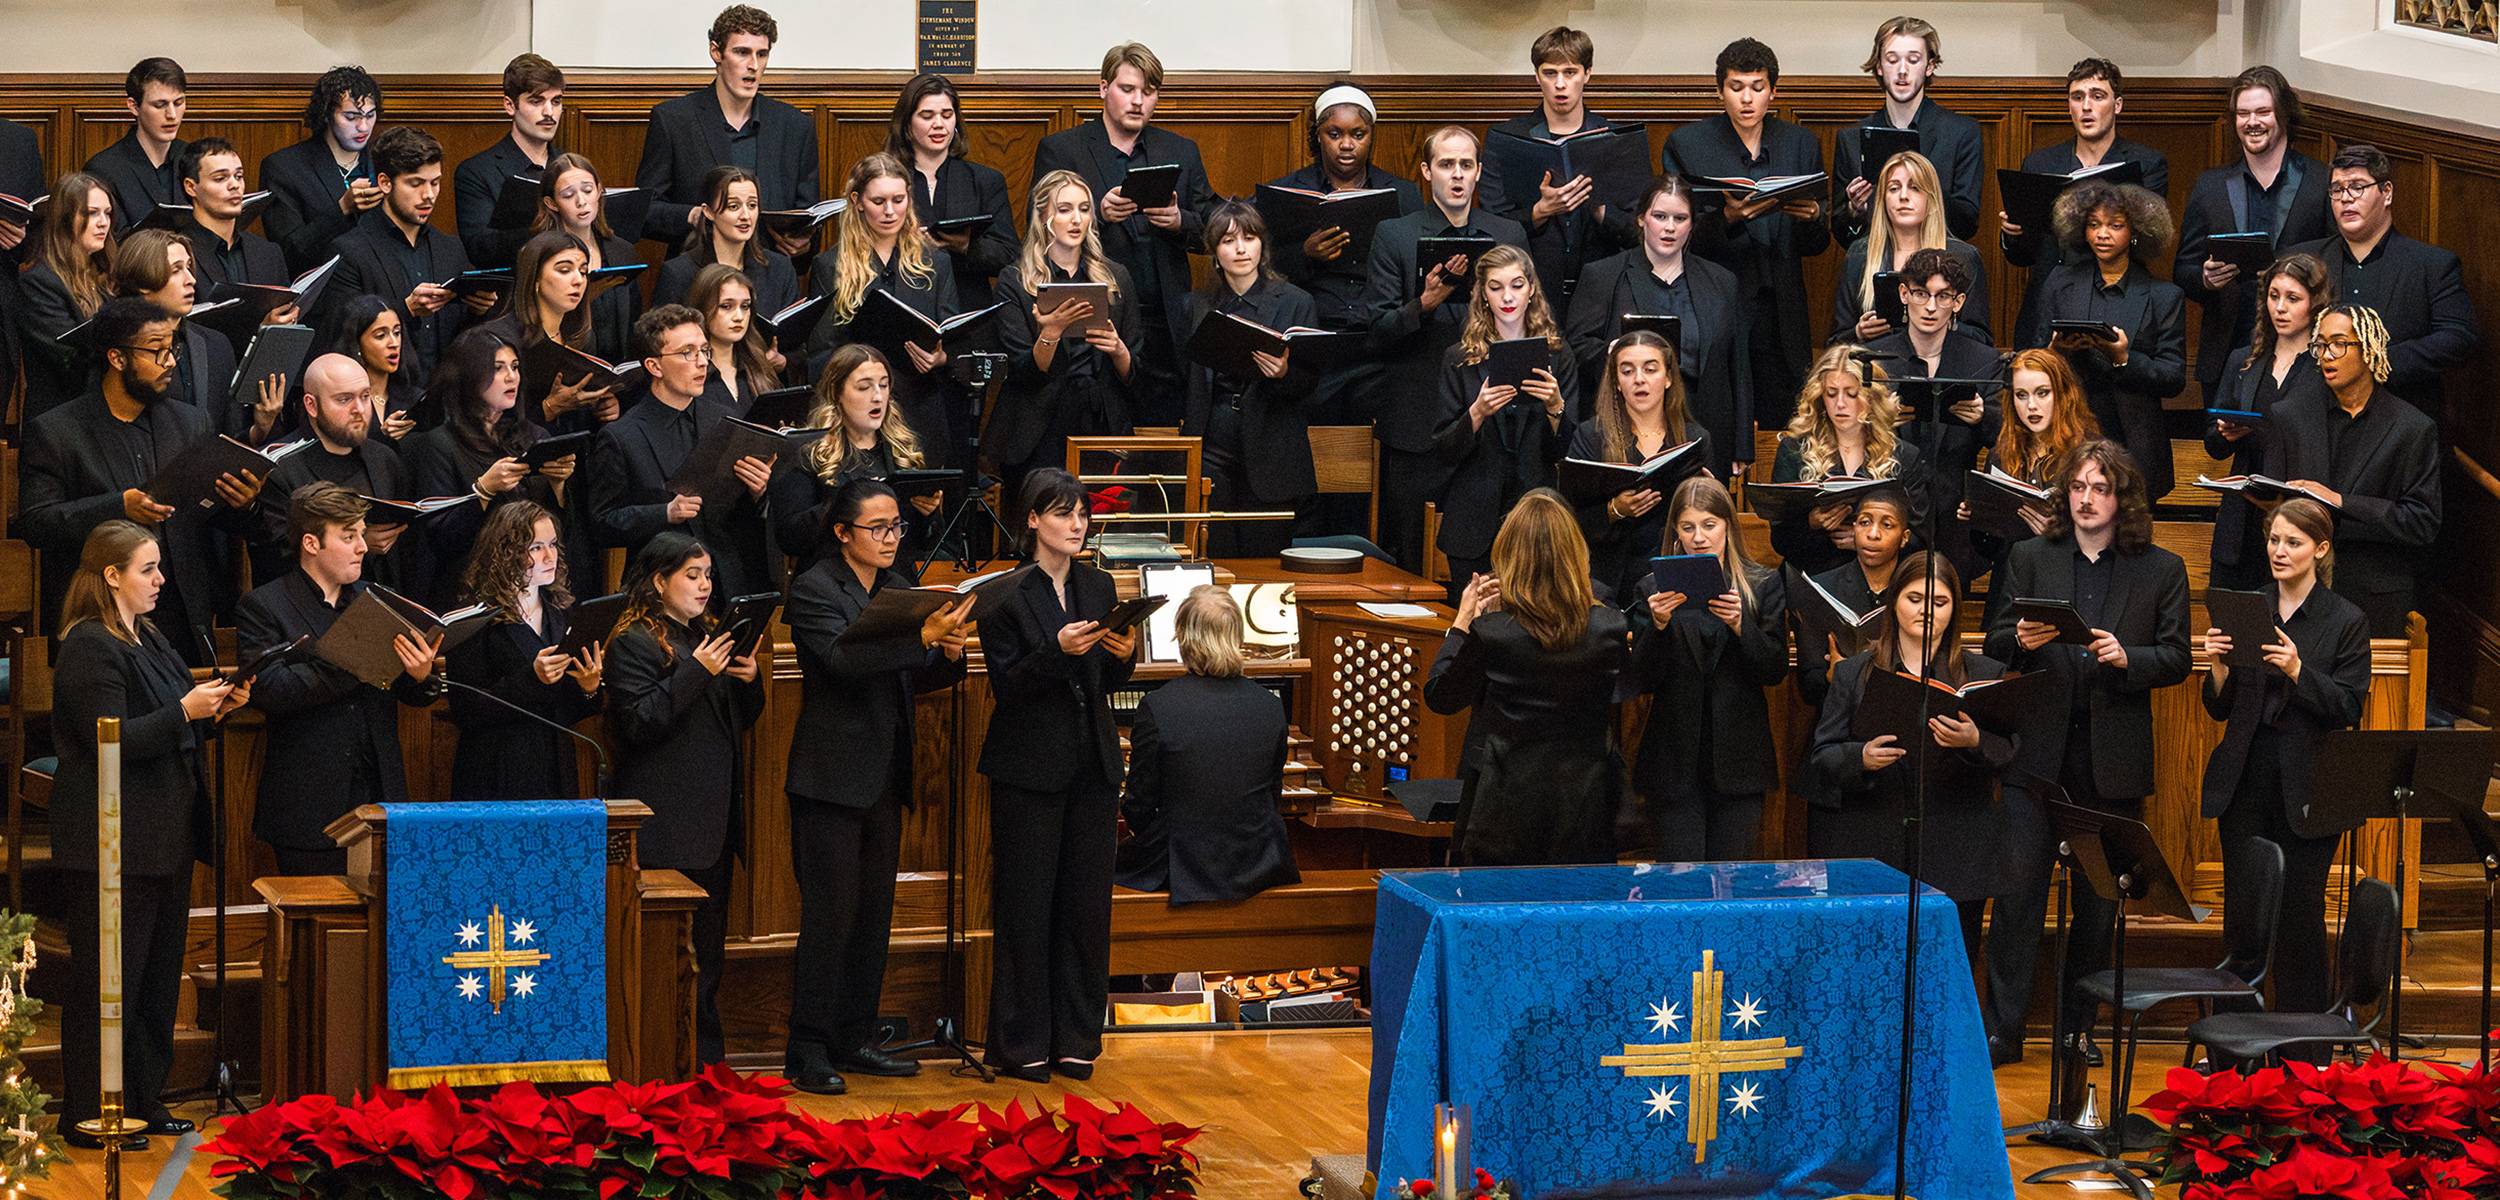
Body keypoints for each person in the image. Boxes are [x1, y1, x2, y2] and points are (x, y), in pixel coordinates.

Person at [1983, 439, 2192, 1064]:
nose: (2086, 499)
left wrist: (2131, 658)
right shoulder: (2029, 556)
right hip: (2036, 755)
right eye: (2078, 487)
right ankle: (2005, 1030)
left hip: (2112, 761)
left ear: (2122, 497)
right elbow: (1995, 639)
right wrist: (2019, 639)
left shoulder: (2161, 568)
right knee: (2018, 898)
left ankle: (2080, 1029)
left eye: (2100, 488)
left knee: (2099, 905)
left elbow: (2178, 657)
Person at [52, 521, 248, 1150]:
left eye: (160, 567)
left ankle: (142, 1098)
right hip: (112, 840)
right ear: (112, 576)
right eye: (148, 569)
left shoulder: (151, 637)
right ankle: (88, 1111)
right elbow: (110, 737)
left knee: (157, 983)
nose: (161, 580)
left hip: (162, 836)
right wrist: (183, 712)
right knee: (109, 984)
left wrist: (211, 709)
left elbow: (172, 722)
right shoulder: (89, 644)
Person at [780, 478, 971, 1094]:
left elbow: (909, 677)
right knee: (830, 918)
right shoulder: (813, 588)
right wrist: (918, 640)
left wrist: (947, 653)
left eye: (896, 528)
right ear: (842, 534)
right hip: (830, 780)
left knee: (872, 919)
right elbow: (841, 662)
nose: (891, 538)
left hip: (887, 776)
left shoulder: (896, 589)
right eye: (878, 528)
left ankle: (853, 1036)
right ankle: (806, 1047)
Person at [977, 469, 1137, 1083]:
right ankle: (1022, 1043)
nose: (1077, 524)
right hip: (1028, 764)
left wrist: (1122, 659)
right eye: (1063, 514)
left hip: (1091, 762)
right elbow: (1008, 685)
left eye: (1081, 514)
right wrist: (1057, 653)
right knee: (1027, 904)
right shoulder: (1007, 592)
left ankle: (1077, 1039)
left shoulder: (1098, 585)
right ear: (1033, 520)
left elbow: (1105, 682)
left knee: (1085, 906)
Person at [19, 297, 264, 667]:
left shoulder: (190, 422)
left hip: (181, 614)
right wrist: (120, 507)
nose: (170, 362)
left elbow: (209, 514)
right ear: (117, 359)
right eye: (156, 351)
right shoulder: (56, 432)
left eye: (172, 348)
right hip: (101, 621)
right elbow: (38, 522)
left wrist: (244, 504)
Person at [2200, 498, 2370, 1015]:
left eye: (2292, 542)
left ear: (2320, 550)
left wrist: (2299, 671)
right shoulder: (2249, 605)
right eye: (2274, 540)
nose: (2279, 551)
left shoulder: (2345, 619)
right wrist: (2219, 669)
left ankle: (2304, 1051)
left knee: (2299, 920)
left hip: (2309, 788)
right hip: (2246, 778)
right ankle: (2235, 1050)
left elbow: (2346, 705)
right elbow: (2219, 708)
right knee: (2244, 918)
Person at [603, 531, 764, 1064]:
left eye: (708, 576)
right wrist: (700, 671)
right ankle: (662, 1060)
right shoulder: (631, 641)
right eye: (691, 576)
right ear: (658, 581)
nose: (703, 586)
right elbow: (640, 722)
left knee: (708, 958)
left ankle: (704, 1061)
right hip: (665, 823)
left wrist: (749, 679)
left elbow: (740, 721)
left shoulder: (709, 635)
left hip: (713, 822)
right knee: (666, 956)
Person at [1805, 550, 2012, 948]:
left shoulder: (1985, 674)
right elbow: (1823, 755)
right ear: (1894, 601)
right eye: (1915, 599)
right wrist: (1860, 757)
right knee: (1872, 962)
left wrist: (1975, 741)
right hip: (1874, 840)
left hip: (1957, 847)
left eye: (1940, 602)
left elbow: (2007, 753)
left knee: (1951, 964)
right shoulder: (1855, 672)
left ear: (1955, 608)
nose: (1927, 611)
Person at [237, 483, 444, 874]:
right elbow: (270, 690)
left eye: (362, 535)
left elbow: (410, 691)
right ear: (312, 543)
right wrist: (353, 658)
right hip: (309, 801)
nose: (362, 547)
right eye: (348, 537)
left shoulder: (377, 599)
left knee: (384, 921)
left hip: (379, 794)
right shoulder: (265, 605)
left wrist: (420, 675)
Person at [1424, 488, 1630, 865]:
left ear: (1509, 556)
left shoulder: (1493, 632)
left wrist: (1462, 623)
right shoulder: (1609, 627)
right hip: (1585, 807)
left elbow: (1441, 696)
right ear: (1575, 554)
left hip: (1503, 810)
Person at [1361, 126, 1527, 570]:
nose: (1457, 175)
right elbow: (1376, 330)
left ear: (1478, 174)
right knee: (1413, 556)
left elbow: (1531, 316)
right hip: (1417, 419)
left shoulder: (1506, 232)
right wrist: (1424, 304)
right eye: (1446, 165)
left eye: (1466, 165)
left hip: (1491, 419)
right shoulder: (1395, 234)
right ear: (1426, 172)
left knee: (1493, 558)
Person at [1031, 42, 1215, 424]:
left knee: (1161, 426)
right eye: (1127, 89)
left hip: (1165, 315)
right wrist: (1097, 213)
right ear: (1103, 89)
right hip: (1095, 312)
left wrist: (1180, 221)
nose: (1138, 102)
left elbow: (1212, 225)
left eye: (1148, 93)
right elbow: (1037, 231)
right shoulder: (1063, 149)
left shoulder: (1181, 150)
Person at [1663, 38, 1830, 426]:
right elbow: (1670, 234)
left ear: (1774, 91)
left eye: (1757, 87)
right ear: (1720, 89)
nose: (1747, 99)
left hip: (1781, 304)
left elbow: (1818, 243)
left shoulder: (1800, 143)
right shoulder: (1687, 143)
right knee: (1717, 412)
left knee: (1785, 418)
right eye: (1736, 87)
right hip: (1717, 298)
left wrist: (1812, 217)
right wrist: (1729, 217)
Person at [1627, 477, 1786, 861]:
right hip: (1674, 762)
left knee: (1732, 883)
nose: (1699, 537)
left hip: (1739, 761)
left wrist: (1741, 627)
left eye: (1709, 525)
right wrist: (1658, 628)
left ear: (1728, 527)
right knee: (1680, 888)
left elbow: (1774, 670)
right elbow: (1641, 679)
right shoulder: (1652, 589)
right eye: (1688, 527)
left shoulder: (1761, 585)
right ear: (1676, 533)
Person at [2264, 303, 2442, 637]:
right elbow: (2277, 498)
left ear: (2369, 349)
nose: (2327, 355)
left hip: (2375, 594)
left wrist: (2342, 502)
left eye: (2339, 343)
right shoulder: (2290, 415)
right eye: (2320, 345)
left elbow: (2422, 522)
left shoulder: (2412, 428)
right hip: (2300, 590)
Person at [1117, 584, 1300, 902]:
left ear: (1184, 638)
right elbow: (1272, 796)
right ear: (1236, 637)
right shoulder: (1270, 706)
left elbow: (1139, 804)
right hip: (1257, 862)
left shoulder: (1158, 707)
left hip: (1181, 867)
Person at [1562, 174, 1752, 468]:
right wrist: (1613, 352)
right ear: (1641, 219)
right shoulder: (1603, 275)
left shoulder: (1721, 281)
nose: (1670, 227)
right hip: (1626, 431)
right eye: (1660, 216)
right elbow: (1574, 348)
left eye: (1680, 218)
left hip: (1706, 429)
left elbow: (1737, 364)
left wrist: (1741, 445)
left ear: (1692, 224)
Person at [589, 304, 775, 599]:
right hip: (660, 589)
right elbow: (602, 523)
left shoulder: (724, 418)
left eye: (704, 350)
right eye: (687, 353)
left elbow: (740, 512)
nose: (702, 362)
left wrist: (758, 491)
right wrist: (664, 512)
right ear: (654, 366)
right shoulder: (621, 436)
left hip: (727, 582)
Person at [1260, 84, 1421, 424]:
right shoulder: (1287, 189)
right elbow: (1260, 263)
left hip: (1377, 334)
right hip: (1312, 330)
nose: (1347, 145)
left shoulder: (1402, 194)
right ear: (1318, 136)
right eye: (1335, 134)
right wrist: (1304, 252)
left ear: (1371, 137)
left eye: (1358, 134)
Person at [2175, 67, 2333, 406]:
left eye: (2263, 111)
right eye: (2243, 113)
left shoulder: (2321, 183)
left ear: (2284, 114)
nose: (2252, 122)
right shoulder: (2210, 186)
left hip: (2302, 356)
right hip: (2226, 350)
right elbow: (2182, 271)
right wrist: (2204, 278)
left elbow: (2335, 267)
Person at [2018, 180, 2186, 498]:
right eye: (2093, 225)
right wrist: (2054, 351)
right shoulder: (2060, 281)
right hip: (2068, 434)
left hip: (2134, 446)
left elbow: (2173, 377)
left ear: (2136, 231)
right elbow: (2034, 353)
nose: (2102, 234)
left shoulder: (2163, 296)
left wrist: (2123, 357)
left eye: (2115, 225)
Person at [2286, 144, 2481, 415]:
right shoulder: (2302, 259)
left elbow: (2459, 337)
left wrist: (2376, 362)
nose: (2346, 198)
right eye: (2337, 189)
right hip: (2317, 412)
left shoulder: (2432, 265)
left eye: (2357, 186)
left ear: (2386, 193)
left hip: (2401, 414)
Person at [1430, 244, 1576, 591]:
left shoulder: (1558, 355)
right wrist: (1477, 412)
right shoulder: (1459, 358)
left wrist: (1556, 407)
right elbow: (1443, 451)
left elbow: (1568, 452)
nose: (1507, 296)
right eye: (1496, 287)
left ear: (1531, 291)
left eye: (1516, 285)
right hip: (1473, 522)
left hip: (1537, 518)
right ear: (1482, 296)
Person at [989, 169, 1141, 496]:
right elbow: (1020, 372)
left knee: (1098, 525)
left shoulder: (1116, 277)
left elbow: (1138, 372)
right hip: (1039, 423)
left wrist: (1117, 349)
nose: (1076, 219)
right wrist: (1051, 333)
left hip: (1100, 420)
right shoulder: (1015, 280)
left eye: (1084, 209)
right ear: (1043, 215)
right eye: (1064, 209)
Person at [1181, 200, 1318, 556]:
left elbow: (1312, 383)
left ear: (1263, 246)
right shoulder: (1197, 305)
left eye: (1250, 238)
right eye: (1228, 241)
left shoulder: (1295, 302)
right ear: (1214, 252)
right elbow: (1186, 378)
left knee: (1266, 558)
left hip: (1272, 442)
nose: (1240, 249)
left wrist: (1285, 373)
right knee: (1216, 553)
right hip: (1214, 443)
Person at [406, 327, 578, 605]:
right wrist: (483, 491)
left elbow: (561, 532)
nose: (512, 377)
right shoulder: (439, 444)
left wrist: (558, 485)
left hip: (534, 587)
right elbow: (440, 539)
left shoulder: (534, 436)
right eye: (498, 369)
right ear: (470, 375)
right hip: (471, 590)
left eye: (515, 367)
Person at [806, 152, 962, 456]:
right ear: (858, 201)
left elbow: (953, 336)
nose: (890, 211)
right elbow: (820, 353)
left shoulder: (936, 262)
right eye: (879, 202)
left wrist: (940, 358)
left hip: (919, 405)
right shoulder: (831, 265)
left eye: (898, 199)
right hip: (856, 416)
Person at [2000, 59, 2171, 336]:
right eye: (2077, 97)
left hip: (2116, 299)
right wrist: (2012, 233)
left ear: (2117, 105)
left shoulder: (2147, 163)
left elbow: (2149, 239)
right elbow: (2024, 256)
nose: (2086, 106)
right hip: (2048, 303)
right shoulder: (2040, 163)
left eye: (2097, 96)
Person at [447, 500, 603, 800]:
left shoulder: (561, 612)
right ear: (506, 553)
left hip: (555, 767)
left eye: (553, 545)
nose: (549, 556)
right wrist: (532, 678)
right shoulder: (473, 616)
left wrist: (589, 688)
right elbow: (466, 709)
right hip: (496, 770)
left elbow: (569, 711)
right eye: (535, 548)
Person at [636, 5, 819, 258]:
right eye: (742, 52)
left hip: (769, 274)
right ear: (716, 52)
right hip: (699, 275)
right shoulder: (674, 120)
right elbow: (646, 210)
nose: (753, 65)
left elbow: (808, 215)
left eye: (762, 54)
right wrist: (693, 216)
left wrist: (804, 245)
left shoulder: (795, 125)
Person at [324, 126, 490, 389]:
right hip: (383, 402)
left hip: (443, 401)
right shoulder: (349, 251)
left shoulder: (451, 248)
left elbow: (463, 335)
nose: (429, 195)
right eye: (416, 183)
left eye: (435, 182)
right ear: (385, 183)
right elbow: (342, 338)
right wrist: (406, 310)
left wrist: (480, 310)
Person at [1478, 26, 1633, 306]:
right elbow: (1491, 225)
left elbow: (1639, 227)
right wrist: (1540, 211)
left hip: (1604, 287)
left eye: (1570, 72)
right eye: (1550, 73)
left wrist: (1598, 208)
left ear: (1587, 73)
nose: (1560, 84)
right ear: (1537, 76)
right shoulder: (1506, 139)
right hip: (1531, 289)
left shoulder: (1616, 139)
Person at [1863, 246, 2001, 558]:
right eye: (1921, 294)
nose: (1930, 307)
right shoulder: (1874, 356)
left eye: (1943, 296)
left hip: (1955, 514)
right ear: (1903, 294)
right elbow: (1847, 428)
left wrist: (1983, 416)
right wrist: (1879, 422)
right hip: (1890, 507)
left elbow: (2005, 436)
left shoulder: (1982, 359)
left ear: (1958, 302)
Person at [2206, 254, 2328, 590]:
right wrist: (2224, 433)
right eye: (2274, 297)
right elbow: (2212, 445)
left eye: (2292, 299)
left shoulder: (2324, 366)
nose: (2280, 308)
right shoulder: (2243, 361)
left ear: (2315, 304)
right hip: (2242, 514)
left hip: (2296, 508)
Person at [1564, 330, 1715, 601]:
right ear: (1617, 382)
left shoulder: (1696, 438)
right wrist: (1614, 510)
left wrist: (1709, 495)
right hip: (1606, 574)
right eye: (1627, 371)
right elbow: (1570, 518)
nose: (1639, 380)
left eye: (1650, 369)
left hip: (1675, 572)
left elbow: (1712, 515)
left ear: (1668, 378)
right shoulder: (1591, 435)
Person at [248, 353, 417, 590]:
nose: (359, 409)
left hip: (381, 600)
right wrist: (355, 542)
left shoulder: (384, 458)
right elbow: (277, 557)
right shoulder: (277, 466)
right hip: (311, 609)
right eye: (344, 399)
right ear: (312, 405)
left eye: (365, 396)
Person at [770, 343, 940, 566]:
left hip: (895, 579)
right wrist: (845, 503)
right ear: (837, 392)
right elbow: (790, 538)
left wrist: (928, 515)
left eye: (884, 385)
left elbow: (924, 544)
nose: (878, 397)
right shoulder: (807, 452)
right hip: (830, 583)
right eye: (864, 388)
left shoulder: (904, 450)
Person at [1769, 345, 1927, 577]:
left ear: (1870, 397)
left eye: (1851, 394)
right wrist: (1812, 523)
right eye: (1831, 393)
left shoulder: (1904, 456)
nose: (1840, 404)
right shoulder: (1794, 450)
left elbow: (1919, 538)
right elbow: (1780, 539)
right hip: (1814, 575)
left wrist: (1869, 540)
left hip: (1880, 580)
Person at [1963, 348, 2099, 612]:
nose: (2031, 406)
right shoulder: (2002, 453)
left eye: (2042, 393)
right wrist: (1980, 518)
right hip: (2010, 589)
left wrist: (2060, 534)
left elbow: (2111, 541)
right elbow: (1994, 550)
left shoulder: (2091, 455)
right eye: (2021, 395)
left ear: (2063, 394)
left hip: (2071, 588)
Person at [1831, 16, 1984, 243]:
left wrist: (1924, 186)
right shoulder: (1851, 138)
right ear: (1879, 66)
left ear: (1929, 66)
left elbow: (1967, 223)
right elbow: (1843, 236)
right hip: (1873, 264)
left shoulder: (1962, 133)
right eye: (1892, 60)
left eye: (1913, 60)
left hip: (1940, 265)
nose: (1902, 70)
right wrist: (1856, 210)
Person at [890, 73, 1020, 308]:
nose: (939, 124)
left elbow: (1008, 254)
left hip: (968, 307)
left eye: (947, 115)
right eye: (927, 116)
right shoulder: (887, 181)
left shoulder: (985, 180)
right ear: (907, 125)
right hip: (903, 303)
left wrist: (966, 246)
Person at [1833, 151, 1990, 344]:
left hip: (1942, 369)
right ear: (1882, 199)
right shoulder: (1859, 255)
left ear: (1930, 198)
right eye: (1893, 189)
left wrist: (1946, 322)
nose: (1903, 196)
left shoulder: (1962, 257)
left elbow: (1982, 340)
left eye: (1915, 188)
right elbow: (1835, 342)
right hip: (1876, 367)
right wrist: (1858, 333)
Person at [105, 230, 241, 437]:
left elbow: (230, 432)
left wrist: (260, 428)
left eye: (188, 267)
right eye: (176, 270)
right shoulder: (121, 349)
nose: (191, 280)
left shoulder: (216, 344)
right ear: (143, 283)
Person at [487, 229, 621, 434]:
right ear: (536, 279)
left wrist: (601, 406)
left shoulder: (582, 337)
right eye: (565, 270)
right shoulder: (497, 340)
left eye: (583, 271)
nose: (578, 280)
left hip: (569, 453)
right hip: (514, 457)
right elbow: (486, 425)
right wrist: (548, 409)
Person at [1793, 486, 1914, 711]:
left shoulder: (1915, 590)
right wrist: (1832, 677)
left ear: (1904, 537)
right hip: (1838, 719)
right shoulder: (1822, 588)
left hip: (1902, 711)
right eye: (1865, 522)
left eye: (1887, 525)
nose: (1873, 534)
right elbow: (1809, 685)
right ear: (1854, 526)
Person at [174, 137, 297, 352]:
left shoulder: (268, 253)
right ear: (191, 187)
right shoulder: (176, 253)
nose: (235, 185)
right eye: (220, 178)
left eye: (238, 176)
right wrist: (258, 332)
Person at [259, 65, 385, 273]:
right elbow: (288, 252)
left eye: (370, 116)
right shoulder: (285, 167)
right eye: (351, 117)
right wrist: (342, 208)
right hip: (324, 292)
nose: (363, 127)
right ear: (327, 115)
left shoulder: (383, 162)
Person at [16, 172, 116, 419]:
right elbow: (68, 357)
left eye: (107, 213)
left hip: (103, 413)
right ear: (65, 219)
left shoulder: (106, 276)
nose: (103, 222)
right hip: (60, 420)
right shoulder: (39, 282)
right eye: (92, 213)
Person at [530, 152, 644, 364]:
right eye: (568, 195)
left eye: (588, 190)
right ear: (551, 203)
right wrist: (584, 299)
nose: (581, 201)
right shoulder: (540, 253)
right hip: (563, 367)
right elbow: (532, 324)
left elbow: (635, 323)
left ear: (600, 191)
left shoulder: (623, 250)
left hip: (619, 371)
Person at [455, 53, 566, 269]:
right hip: (511, 291)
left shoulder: (569, 166)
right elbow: (480, 247)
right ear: (509, 105)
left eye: (556, 101)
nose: (549, 112)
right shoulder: (477, 171)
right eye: (536, 101)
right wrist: (552, 229)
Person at [652, 166, 801, 317]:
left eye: (752, 205)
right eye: (733, 206)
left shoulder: (780, 269)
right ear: (708, 212)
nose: (746, 216)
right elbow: (663, 334)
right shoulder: (678, 273)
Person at [83, 58, 188, 234]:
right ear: (133, 106)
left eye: (178, 103)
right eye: (160, 105)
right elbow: (111, 245)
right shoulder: (103, 169)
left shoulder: (193, 157)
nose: (172, 115)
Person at [685, 262, 782, 412]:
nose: (739, 317)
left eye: (745, 306)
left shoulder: (758, 365)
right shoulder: (687, 371)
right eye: (726, 306)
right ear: (702, 307)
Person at [328, 293, 420, 440]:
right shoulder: (338, 403)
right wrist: (382, 438)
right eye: (380, 335)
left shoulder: (414, 399)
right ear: (356, 343)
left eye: (397, 332)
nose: (394, 343)